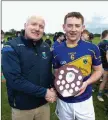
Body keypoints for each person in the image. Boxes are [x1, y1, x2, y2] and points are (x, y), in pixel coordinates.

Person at [2, 15, 57, 120]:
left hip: (43, 104)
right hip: (22, 107)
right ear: (25, 26)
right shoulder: (11, 46)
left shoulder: (45, 47)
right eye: (34, 24)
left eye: (41, 26)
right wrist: (45, 92)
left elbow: (47, 73)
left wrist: (54, 87)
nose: (37, 28)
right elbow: (14, 79)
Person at [52, 12, 103, 120]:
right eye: (70, 25)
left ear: (82, 28)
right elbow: (57, 74)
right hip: (64, 101)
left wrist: (86, 83)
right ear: (64, 27)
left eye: (77, 26)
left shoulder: (92, 48)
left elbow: (99, 71)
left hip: (85, 100)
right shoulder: (56, 50)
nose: (73, 29)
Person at [97, 30, 108, 102]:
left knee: (106, 80)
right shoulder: (106, 43)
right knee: (104, 80)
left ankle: (106, 92)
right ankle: (99, 95)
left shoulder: (100, 43)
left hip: (101, 64)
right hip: (106, 65)